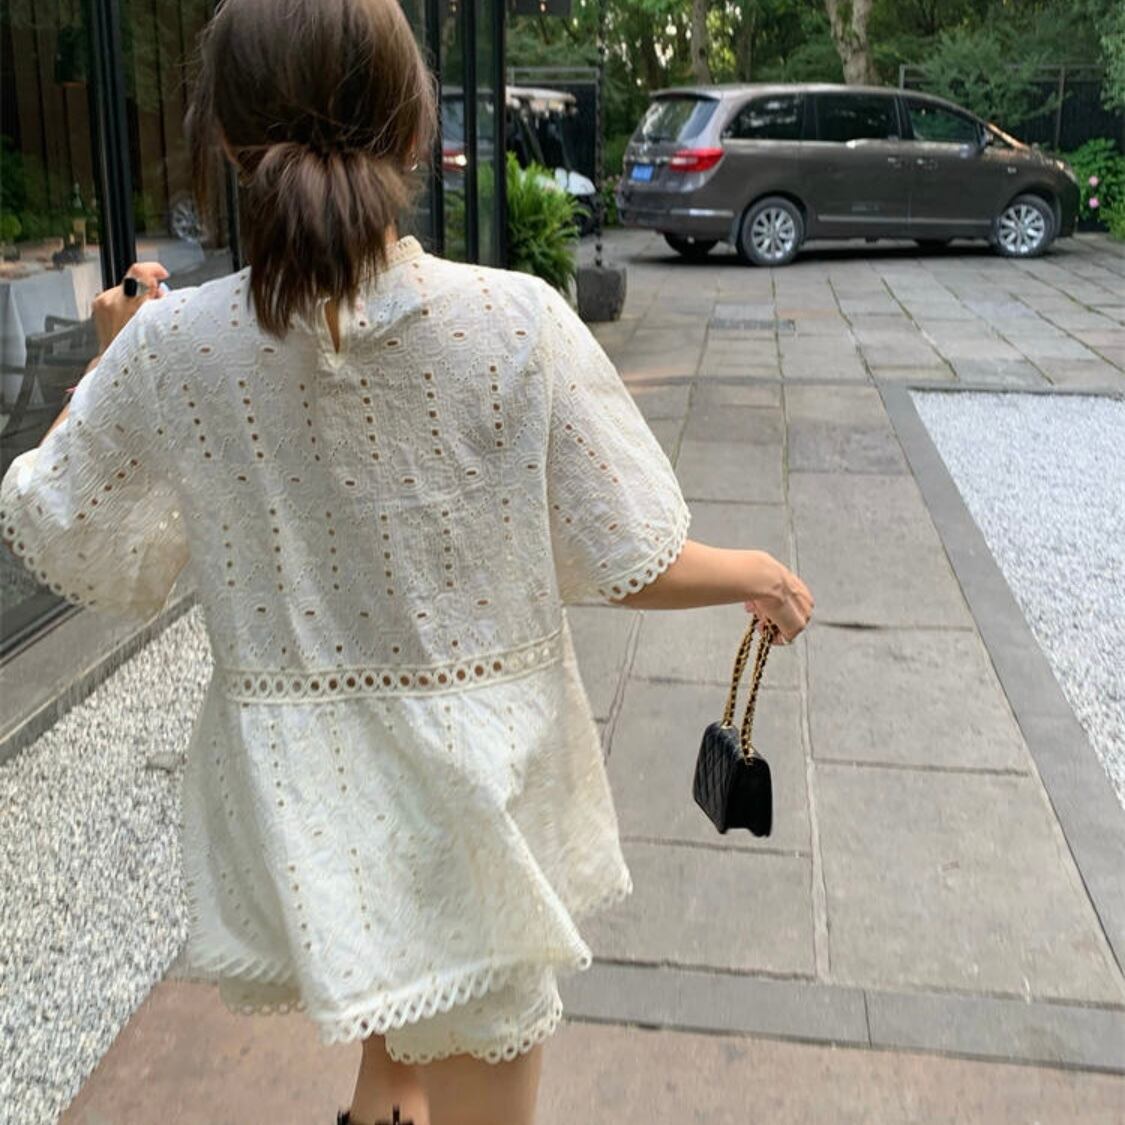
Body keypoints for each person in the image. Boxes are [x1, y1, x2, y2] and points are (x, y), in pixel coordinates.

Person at [0, 0, 813, 1121]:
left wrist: (111, 362)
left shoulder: (172, 350)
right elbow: (625, 553)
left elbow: (58, 522)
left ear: (227, 143)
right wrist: (753, 572)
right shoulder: (516, 320)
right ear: (418, 130)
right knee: (478, 1055)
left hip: (306, 788)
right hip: (480, 776)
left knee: (391, 1043)